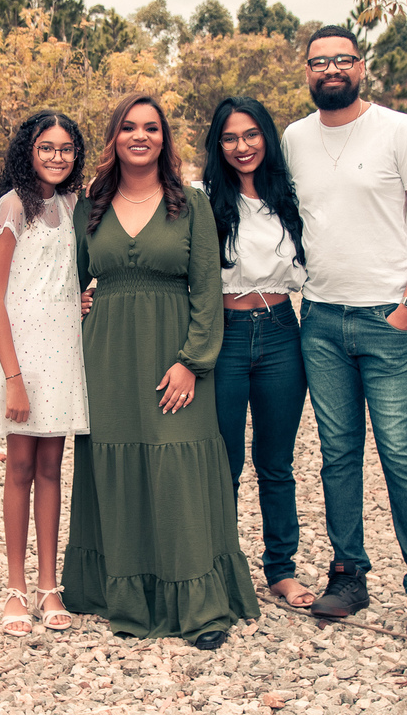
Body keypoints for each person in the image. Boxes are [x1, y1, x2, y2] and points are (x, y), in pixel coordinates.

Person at [62, 92, 259, 651]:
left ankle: (198, 608)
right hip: (108, 360)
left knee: (179, 466)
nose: (140, 136)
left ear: (164, 139)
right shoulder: (90, 204)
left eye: (151, 127)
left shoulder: (189, 203)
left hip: (176, 356)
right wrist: (76, 304)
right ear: (114, 138)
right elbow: (67, 277)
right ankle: (123, 596)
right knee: (116, 463)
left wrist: (193, 363)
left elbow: (207, 290)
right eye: (129, 127)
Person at [281, 25, 407, 638]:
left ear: (361, 67)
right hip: (320, 319)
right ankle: (348, 574)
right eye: (319, 61)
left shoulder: (399, 130)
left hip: (388, 317)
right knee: (338, 453)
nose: (331, 69)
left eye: (342, 59)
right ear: (306, 71)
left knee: (401, 453)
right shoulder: (294, 138)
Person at [199, 96, 315, 609]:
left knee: (276, 462)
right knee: (221, 462)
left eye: (250, 135)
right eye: (229, 137)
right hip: (223, 335)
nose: (241, 146)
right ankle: (219, 567)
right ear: (217, 145)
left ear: (266, 138)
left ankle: (281, 570)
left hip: (280, 334)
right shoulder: (201, 199)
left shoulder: (289, 196)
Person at [0, 111, 90, 636]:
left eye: (66, 148)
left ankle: (50, 587)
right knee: (20, 468)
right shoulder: (13, 205)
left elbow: (63, 275)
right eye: (46, 146)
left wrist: (80, 298)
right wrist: (13, 377)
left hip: (63, 349)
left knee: (52, 468)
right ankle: (15, 588)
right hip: (22, 355)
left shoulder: (72, 204)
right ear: (28, 149)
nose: (56, 156)